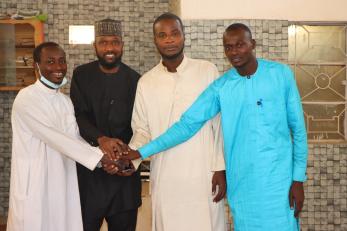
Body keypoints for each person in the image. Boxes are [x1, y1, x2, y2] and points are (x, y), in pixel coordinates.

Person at [120, 23, 308, 231]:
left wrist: (298, 179)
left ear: (252, 44)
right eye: (229, 47)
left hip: (278, 183)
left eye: (240, 45)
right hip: (241, 184)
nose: (234, 52)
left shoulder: (280, 75)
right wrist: (140, 151)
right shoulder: (222, 87)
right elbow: (186, 125)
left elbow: (298, 130)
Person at [128, 13, 227, 231]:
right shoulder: (146, 82)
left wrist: (220, 168)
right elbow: (142, 129)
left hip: (204, 173)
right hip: (166, 175)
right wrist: (130, 158)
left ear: (183, 36)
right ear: (155, 41)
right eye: (162, 35)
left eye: (174, 33)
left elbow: (219, 124)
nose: (169, 40)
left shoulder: (206, 70)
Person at [7, 42, 115, 231]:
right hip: (36, 183)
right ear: (37, 66)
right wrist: (101, 157)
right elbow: (56, 138)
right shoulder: (26, 98)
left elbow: (74, 139)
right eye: (50, 62)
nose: (58, 67)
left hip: (62, 182)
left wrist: (101, 159)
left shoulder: (65, 102)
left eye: (62, 61)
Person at [70, 19, 141, 231]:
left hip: (124, 175)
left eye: (115, 42)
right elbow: (77, 116)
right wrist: (102, 140)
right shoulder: (81, 75)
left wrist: (121, 159)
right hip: (90, 174)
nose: (109, 48)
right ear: (95, 46)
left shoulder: (136, 80)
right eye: (103, 42)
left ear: (122, 45)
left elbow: (140, 126)